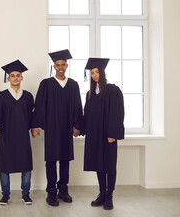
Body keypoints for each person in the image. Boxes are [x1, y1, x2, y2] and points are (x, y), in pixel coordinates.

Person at [32, 49, 83, 207]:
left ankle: (63, 190)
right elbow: (39, 105)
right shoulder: (46, 84)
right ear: (54, 66)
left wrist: (77, 125)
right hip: (52, 129)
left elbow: (77, 106)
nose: (60, 67)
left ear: (66, 66)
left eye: (63, 65)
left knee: (65, 160)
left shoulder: (73, 84)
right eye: (57, 65)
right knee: (51, 161)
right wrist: (36, 125)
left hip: (67, 128)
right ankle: (51, 192)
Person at [82, 58, 124, 210]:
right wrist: (79, 128)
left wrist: (112, 132)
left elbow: (118, 113)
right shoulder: (90, 93)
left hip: (108, 135)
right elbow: (86, 115)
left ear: (102, 72)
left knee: (109, 166)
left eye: (96, 72)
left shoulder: (113, 90)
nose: (94, 75)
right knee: (99, 165)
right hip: (94, 135)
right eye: (92, 73)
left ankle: (110, 196)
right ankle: (102, 194)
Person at [0, 60, 35, 206]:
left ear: (22, 78)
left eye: (18, 75)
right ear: (8, 78)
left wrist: (34, 127)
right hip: (6, 136)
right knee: (4, 166)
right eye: (12, 75)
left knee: (26, 165)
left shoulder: (28, 96)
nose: (15, 78)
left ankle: (25, 194)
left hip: (23, 136)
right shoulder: (0, 96)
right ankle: (5, 194)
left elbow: (32, 117)